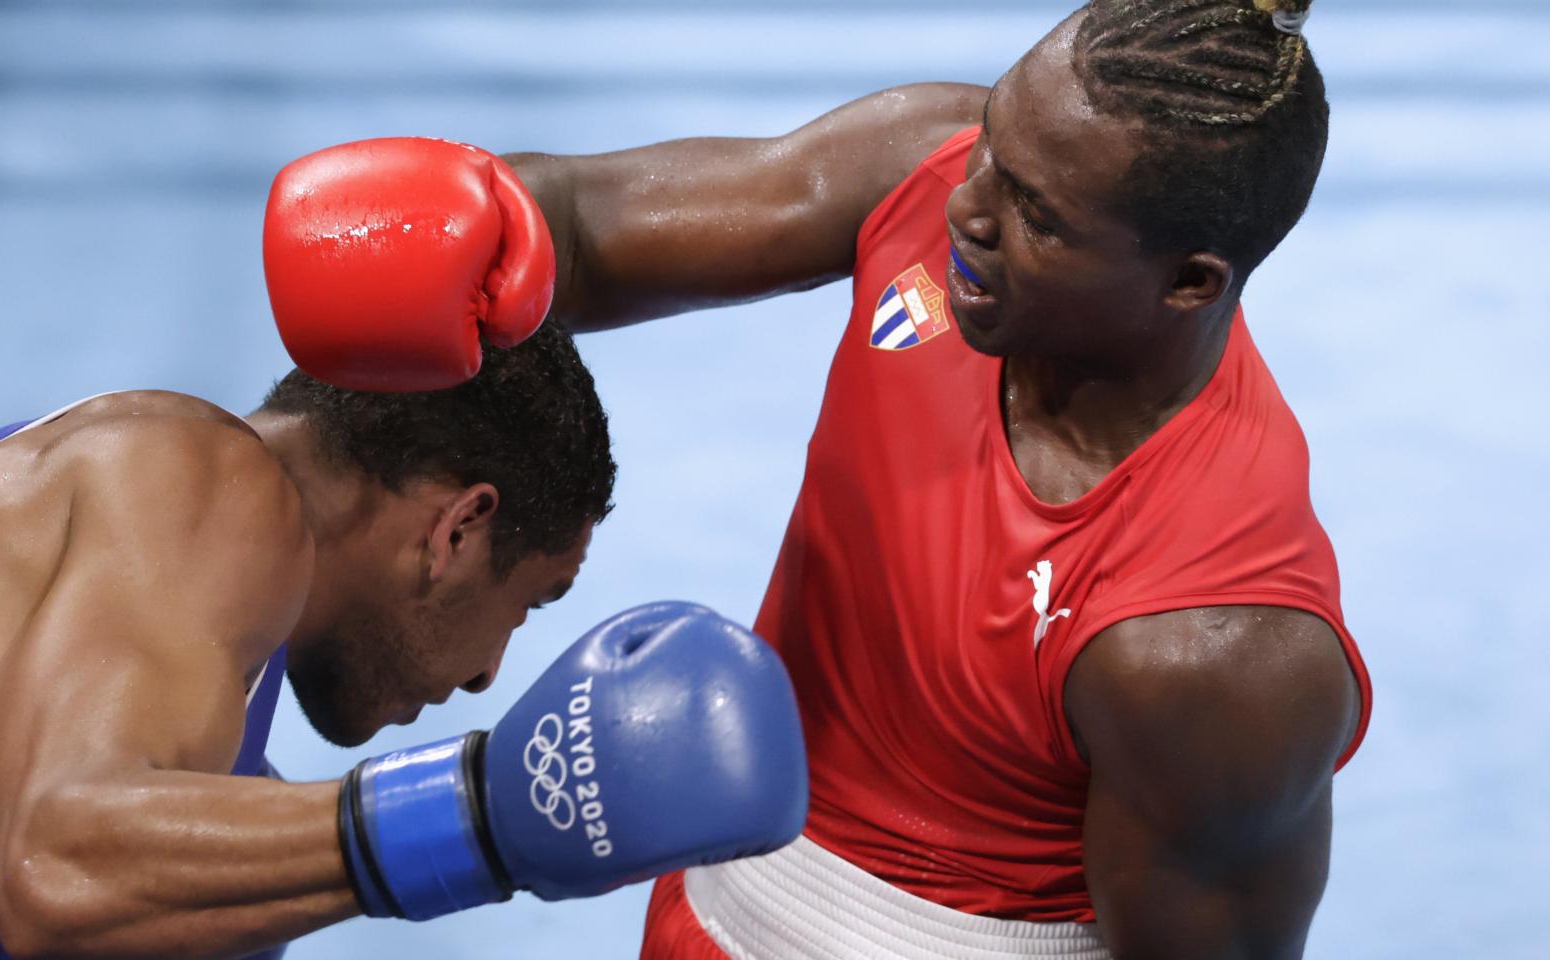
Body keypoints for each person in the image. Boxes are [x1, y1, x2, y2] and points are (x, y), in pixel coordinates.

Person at [261, 0, 1377, 956]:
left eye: (1033, 213)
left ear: (1187, 282)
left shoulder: (1212, 646)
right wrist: (459, 229)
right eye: (991, 142)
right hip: (703, 912)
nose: (965, 206)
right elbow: (587, 232)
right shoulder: (933, 169)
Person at [0, 309, 810, 957]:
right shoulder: (206, 483)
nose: (486, 674)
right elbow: (59, 867)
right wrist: (478, 815)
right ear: (459, 529)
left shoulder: (133, 547)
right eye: (527, 604)